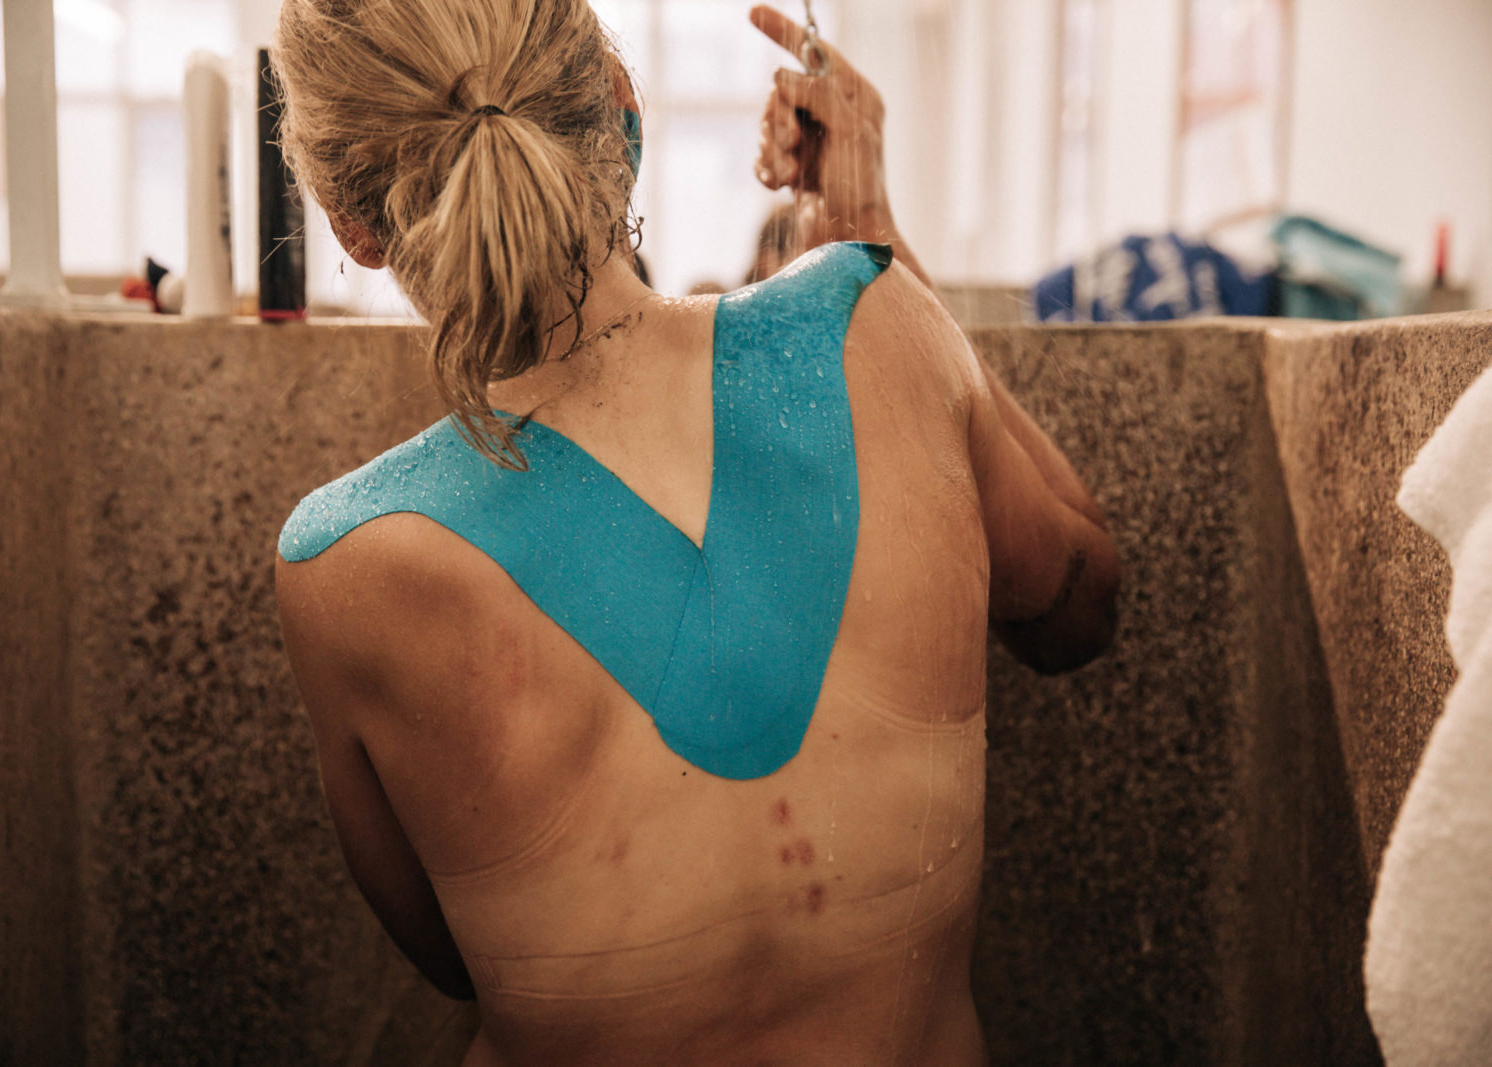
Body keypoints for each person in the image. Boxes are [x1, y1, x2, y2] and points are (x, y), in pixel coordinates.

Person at [273, 2, 1119, 1064]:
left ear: (348, 222)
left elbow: (458, 958)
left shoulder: (345, 564)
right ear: (620, 104)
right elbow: (1079, 607)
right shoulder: (877, 323)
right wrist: (871, 235)